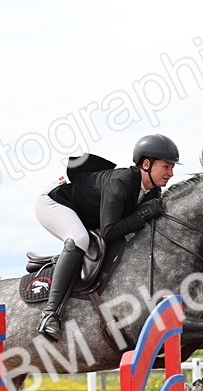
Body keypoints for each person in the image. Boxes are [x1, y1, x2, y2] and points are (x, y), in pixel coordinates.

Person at [33, 134, 179, 340]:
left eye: (173, 167)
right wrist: (144, 213)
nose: (171, 173)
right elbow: (109, 232)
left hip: (85, 210)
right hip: (54, 200)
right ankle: (50, 313)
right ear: (146, 164)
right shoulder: (121, 182)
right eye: (166, 166)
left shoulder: (153, 191)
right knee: (80, 239)